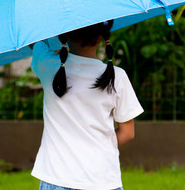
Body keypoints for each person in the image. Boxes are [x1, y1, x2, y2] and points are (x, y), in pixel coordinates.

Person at [29, 20, 144, 190]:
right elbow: (127, 133)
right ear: (101, 37)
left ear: (66, 35)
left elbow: (35, 43)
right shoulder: (117, 76)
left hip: (57, 178)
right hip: (103, 180)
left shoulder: (48, 65)